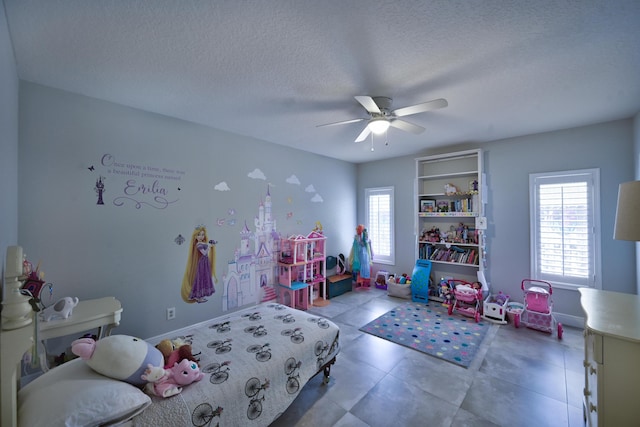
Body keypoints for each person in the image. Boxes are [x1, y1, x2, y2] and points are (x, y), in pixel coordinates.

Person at [181, 225, 217, 303]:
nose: (201, 236)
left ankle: (201, 295)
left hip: (206, 262)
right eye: (199, 234)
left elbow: (207, 245)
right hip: (202, 263)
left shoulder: (203, 243)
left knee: (205, 277)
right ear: (195, 236)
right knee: (200, 278)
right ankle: (198, 296)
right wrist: (209, 247)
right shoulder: (198, 244)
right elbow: (204, 253)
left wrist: (211, 243)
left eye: (202, 234)